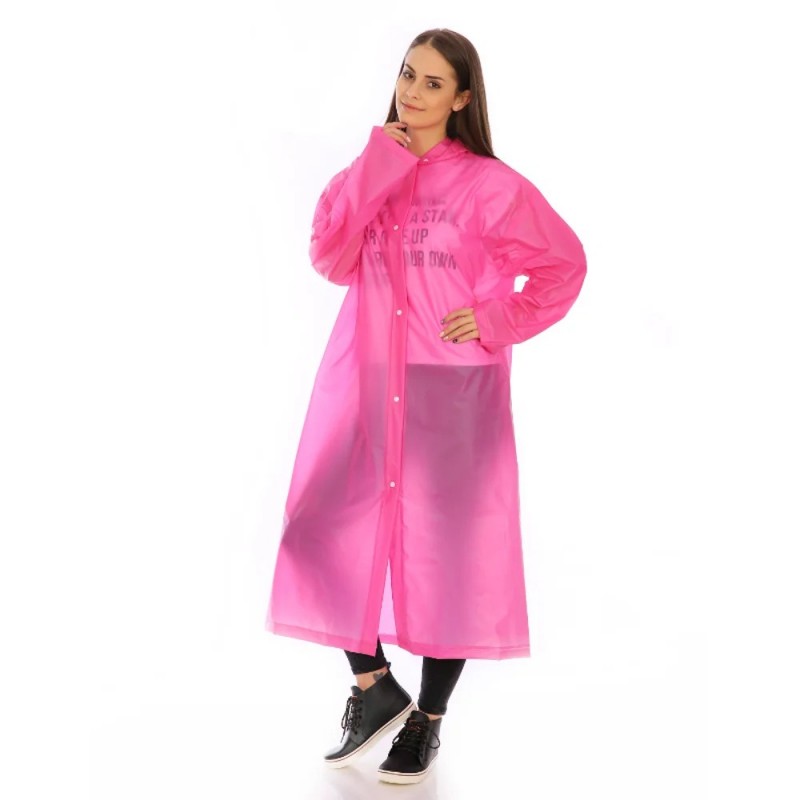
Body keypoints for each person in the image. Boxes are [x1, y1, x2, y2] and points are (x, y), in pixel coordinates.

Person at [265, 28, 587, 785]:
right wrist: (379, 166)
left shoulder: (490, 186)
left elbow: (564, 265)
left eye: (434, 83)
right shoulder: (370, 169)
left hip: (451, 388)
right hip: (372, 379)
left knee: (449, 558)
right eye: (408, 74)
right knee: (315, 528)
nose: (412, 92)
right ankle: (375, 687)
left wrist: (498, 318)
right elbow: (330, 257)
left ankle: (428, 723)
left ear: (462, 98)